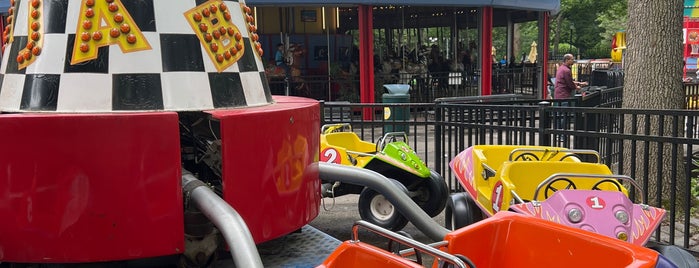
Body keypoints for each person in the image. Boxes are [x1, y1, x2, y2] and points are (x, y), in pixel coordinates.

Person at [553, 54, 587, 143]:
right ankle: (562, 136)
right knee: (563, 116)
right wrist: (577, 87)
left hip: (558, 94)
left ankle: (557, 134)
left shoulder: (561, 68)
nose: (573, 60)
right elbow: (569, 84)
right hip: (564, 95)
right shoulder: (567, 70)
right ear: (567, 60)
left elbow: (567, 81)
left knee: (558, 115)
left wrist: (579, 83)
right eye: (572, 59)